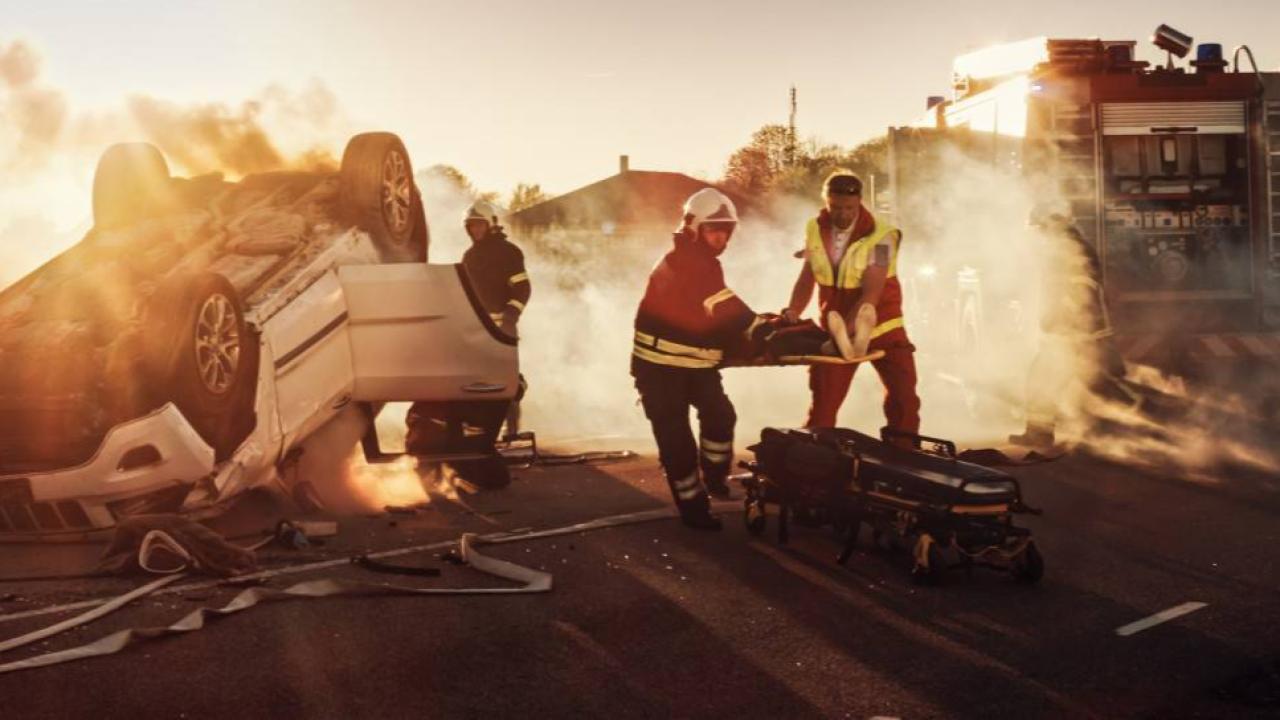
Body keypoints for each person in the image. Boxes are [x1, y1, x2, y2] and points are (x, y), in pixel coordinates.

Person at [632, 188, 773, 530]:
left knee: (721, 416)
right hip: (660, 370)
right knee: (678, 444)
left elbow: (707, 316)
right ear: (694, 227)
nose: (720, 237)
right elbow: (723, 308)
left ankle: (714, 477)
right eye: (714, 230)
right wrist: (761, 329)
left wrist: (755, 330)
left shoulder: (704, 261)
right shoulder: (686, 260)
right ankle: (693, 509)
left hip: (696, 365)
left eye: (725, 231)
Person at [782, 171, 921, 441]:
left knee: (904, 402)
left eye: (849, 208)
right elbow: (808, 275)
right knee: (824, 405)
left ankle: (904, 459)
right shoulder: (814, 228)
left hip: (884, 331)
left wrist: (842, 334)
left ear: (860, 202)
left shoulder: (883, 238)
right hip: (837, 331)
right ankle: (814, 461)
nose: (843, 214)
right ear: (826, 202)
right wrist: (793, 310)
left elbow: (871, 294)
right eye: (835, 207)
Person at [1009, 209, 1137, 447]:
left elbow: (1082, 289)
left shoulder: (1067, 252)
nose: (1035, 237)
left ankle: (1142, 419)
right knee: (1097, 383)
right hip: (1075, 332)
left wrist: (1066, 318)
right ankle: (1138, 419)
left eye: (1037, 231)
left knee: (1044, 380)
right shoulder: (1067, 249)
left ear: (1049, 230)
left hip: (1075, 333)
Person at [460, 200, 531, 439]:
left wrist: (511, 315)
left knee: (506, 380)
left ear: (491, 224)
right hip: (476, 330)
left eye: (479, 225)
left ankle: (512, 431)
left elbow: (522, 288)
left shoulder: (509, 252)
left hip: (503, 328)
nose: (475, 230)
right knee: (476, 381)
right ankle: (478, 431)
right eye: (471, 226)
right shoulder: (469, 256)